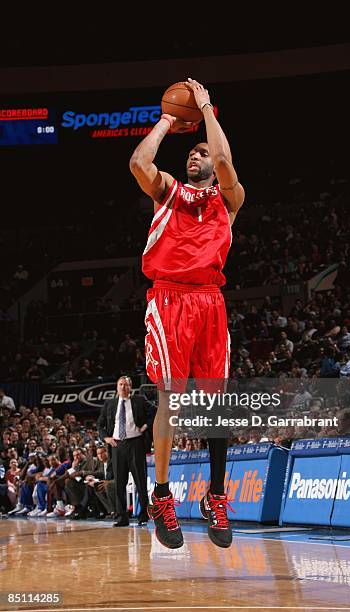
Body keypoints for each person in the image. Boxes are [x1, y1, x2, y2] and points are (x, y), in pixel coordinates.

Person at [129, 78, 245, 549]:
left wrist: (207, 109)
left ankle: (216, 495)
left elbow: (223, 160)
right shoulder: (168, 192)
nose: (194, 157)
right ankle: (161, 495)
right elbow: (139, 162)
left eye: (200, 151)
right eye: (190, 152)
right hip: (169, 297)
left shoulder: (229, 200)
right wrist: (167, 121)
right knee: (170, 399)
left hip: (209, 303)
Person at [97, 376, 151, 527]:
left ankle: (143, 516)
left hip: (135, 444)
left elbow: (154, 412)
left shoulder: (139, 400)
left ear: (130, 387)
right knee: (119, 483)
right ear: (117, 387)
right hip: (117, 446)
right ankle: (122, 517)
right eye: (120, 384)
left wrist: (145, 426)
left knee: (140, 481)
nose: (123, 387)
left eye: (126, 385)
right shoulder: (110, 404)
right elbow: (100, 424)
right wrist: (106, 438)